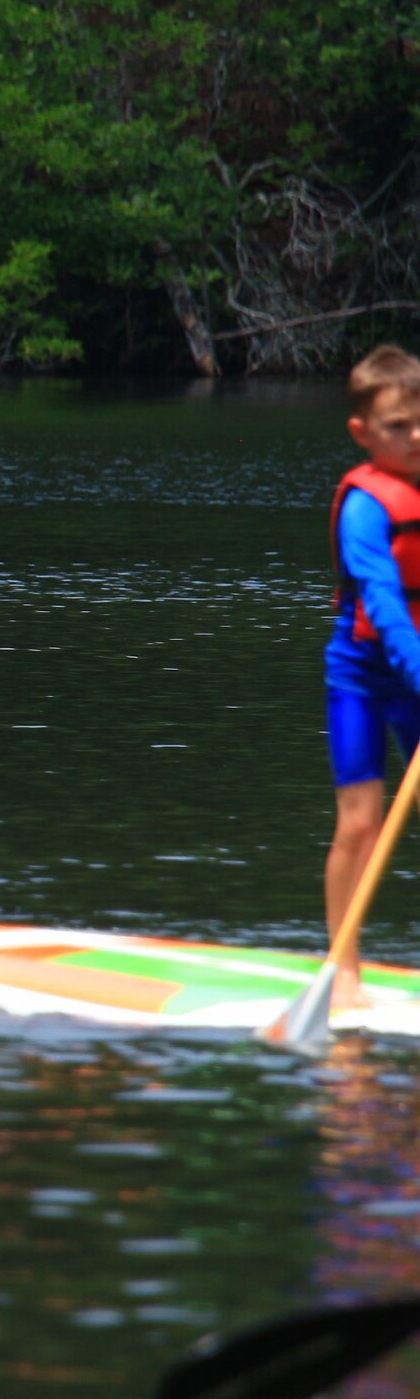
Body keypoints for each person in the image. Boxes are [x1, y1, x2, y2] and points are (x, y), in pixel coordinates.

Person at [324, 343, 420, 1010]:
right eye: (397, 426)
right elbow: (383, 603)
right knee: (360, 824)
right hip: (362, 675)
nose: (414, 438)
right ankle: (344, 970)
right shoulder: (365, 507)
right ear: (362, 432)